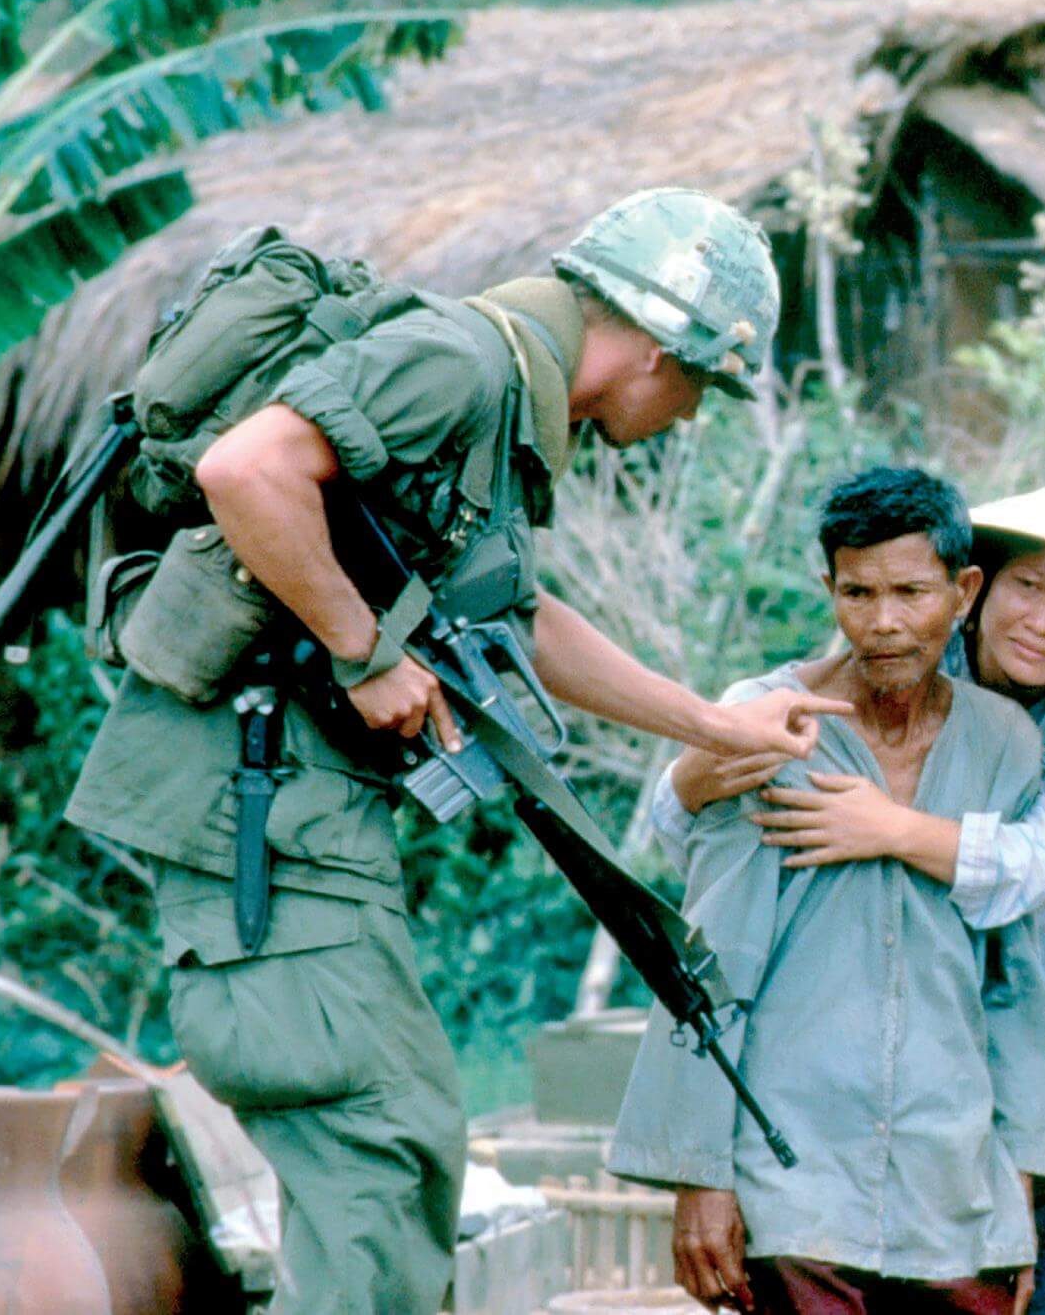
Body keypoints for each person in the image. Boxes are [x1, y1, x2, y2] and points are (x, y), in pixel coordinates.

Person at [64, 188, 847, 1315]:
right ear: (654, 350)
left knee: (401, 1153)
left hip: (301, 818)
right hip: (258, 814)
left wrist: (716, 724)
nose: (690, 414)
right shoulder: (462, 362)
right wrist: (361, 648)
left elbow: (518, 618)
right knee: (381, 1161)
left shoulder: (499, 410)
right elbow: (249, 472)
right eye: (700, 386)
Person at [670, 473, 1045, 1315]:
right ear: (977, 587)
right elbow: (691, 825)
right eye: (1029, 587)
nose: (1041, 622)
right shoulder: (907, 645)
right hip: (899, 1032)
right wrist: (699, 768)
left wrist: (890, 827)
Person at [608, 465, 1045, 1315]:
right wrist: (701, 1177)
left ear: (963, 591)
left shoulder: (1003, 742)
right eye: (857, 593)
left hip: (955, 1186)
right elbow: (709, 964)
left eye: (910, 591)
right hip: (795, 1180)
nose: (885, 623)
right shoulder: (767, 724)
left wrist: (1014, 1186)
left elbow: (1012, 977)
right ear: (827, 587)